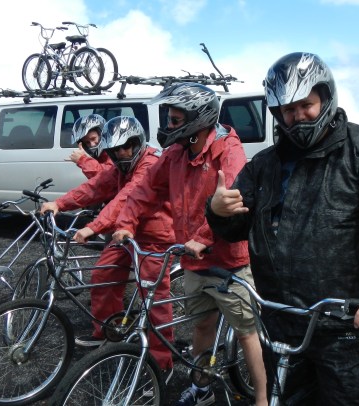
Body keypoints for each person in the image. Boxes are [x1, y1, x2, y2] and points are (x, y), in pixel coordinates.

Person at [206, 52, 359, 404]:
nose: (297, 116)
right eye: (287, 110)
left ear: (326, 98)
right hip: (280, 318)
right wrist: (218, 211)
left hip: (344, 320)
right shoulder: (264, 164)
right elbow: (235, 228)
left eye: (305, 105)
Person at [112, 83, 268, 406]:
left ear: (198, 120)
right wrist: (126, 224)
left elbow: (235, 200)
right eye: (168, 118)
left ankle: (263, 399)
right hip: (193, 260)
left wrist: (203, 238)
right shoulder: (175, 154)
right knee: (202, 326)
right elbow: (144, 190)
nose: (168, 125)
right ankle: (202, 388)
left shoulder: (228, 150)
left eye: (174, 119)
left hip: (229, 262)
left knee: (246, 331)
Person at [40, 116, 176, 373]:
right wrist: (60, 203)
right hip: (125, 232)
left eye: (126, 147)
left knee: (153, 299)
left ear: (137, 142)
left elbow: (127, 198)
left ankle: (159, 364)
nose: (121, 153)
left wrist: (94, 227)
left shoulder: (150, 163)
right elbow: (96, 186)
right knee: (103, 274)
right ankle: (108, 332)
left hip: (154, 235)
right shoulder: (120, 167)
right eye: (115, 150)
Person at [68, 114, 113, 179]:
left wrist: (82, 160)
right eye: (87, 142)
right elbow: (95, 182)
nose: (92, 144)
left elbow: (108, 176)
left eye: (93, 138)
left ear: (102, 134)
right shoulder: (100, 155)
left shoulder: (114, 151)